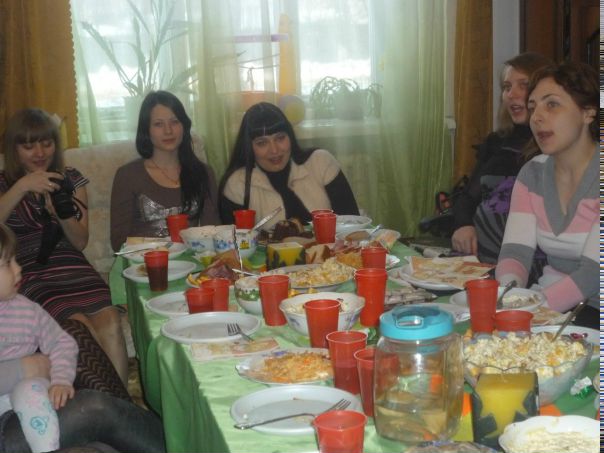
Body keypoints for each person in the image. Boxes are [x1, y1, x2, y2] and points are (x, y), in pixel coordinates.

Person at [0, 109, 129, 386]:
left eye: (47, 143)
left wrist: (61, 214)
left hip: (72, 264)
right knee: (78, 323)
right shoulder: (4, 183)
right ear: (14, 148)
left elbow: (80, 242)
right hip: (28, 269)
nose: (39, 153)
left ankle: (119, 401)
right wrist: (23, 186)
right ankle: (108, 398)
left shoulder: (70, 178)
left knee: (110, 321)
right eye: (29, 146)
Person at [496, 61, 599, 328]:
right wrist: (508, 295)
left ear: (588, 112)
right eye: (533, 107)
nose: (537, 117)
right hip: (546, 306)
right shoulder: (532, 174)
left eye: (551, 104)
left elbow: (593, 274)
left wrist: (529, 309)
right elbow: (515, 253)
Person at [451, 53, 551, 278]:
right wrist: (463, 225)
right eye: (507, 87)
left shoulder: (552, 147)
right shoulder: (496, 142)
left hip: (528, 268)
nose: (511, 94)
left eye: (523, 85)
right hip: (477, 260)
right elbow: (467, 198)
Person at [0, 224, 78, 453]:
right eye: (7, 263)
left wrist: (61, 379)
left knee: (30, 391)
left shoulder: (26, 310)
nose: (18, 268)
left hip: (28, 394)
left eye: (15, 260)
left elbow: (62, 342)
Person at [110, 91, 220, 251]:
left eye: (174, 122)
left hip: (193, 261)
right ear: (146, 130)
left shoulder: (203, 173)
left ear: (184, 126)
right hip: (144, 262)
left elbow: (213, 231)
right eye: (158, 124)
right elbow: (118, 242)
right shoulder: (127, 176)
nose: (168, 131)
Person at [219, 102, 359, 226]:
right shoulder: (237, 184)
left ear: (290, 137)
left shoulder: (321, 162)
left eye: (280, 138)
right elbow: (235, 243)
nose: (274, 150)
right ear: (249, 147)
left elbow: (352, 223)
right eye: (262, 143)